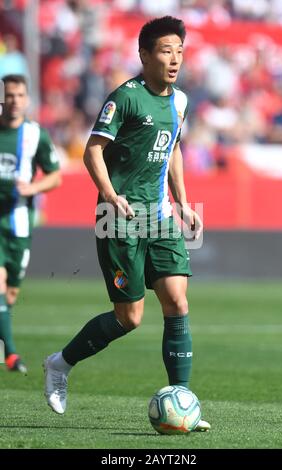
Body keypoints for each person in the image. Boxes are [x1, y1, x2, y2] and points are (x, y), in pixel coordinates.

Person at [44, 16, 210, 431]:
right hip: (117, 217)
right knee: (129, 318)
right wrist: (111, 196)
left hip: (160, 216)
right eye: (166, 50)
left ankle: (184, 403)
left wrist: (184, 203)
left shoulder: (181, 101)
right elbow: (92, 151)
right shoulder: (126, 98)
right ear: (145, 55)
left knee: (178, 302)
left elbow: (172, 150)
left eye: (180, 51)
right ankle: (60, 364)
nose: (175, 59)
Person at [0, 74, 61, 373]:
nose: (13, 101)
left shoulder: (35, 135)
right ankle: (11, 355)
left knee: (10, 294)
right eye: (8, 95)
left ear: (26, 99)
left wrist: (32, 188)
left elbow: (55, 175)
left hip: (19, 225)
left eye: (19, 95)